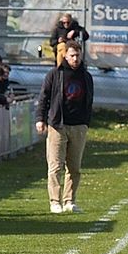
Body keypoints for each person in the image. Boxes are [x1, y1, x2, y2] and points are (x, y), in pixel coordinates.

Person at [35, 41, 93, 214]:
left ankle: (69, 200)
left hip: (78, 126)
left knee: (74, 167)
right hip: (58, 125)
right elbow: (44, 97)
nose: (75, 59)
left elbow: (89, 100)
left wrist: (85, 123)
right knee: (55, 166)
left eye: (78, 55)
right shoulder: (55, 74)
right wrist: (41, 118)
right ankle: (55, 201)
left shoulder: (86, 76)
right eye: (72, 55)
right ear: (65, 55)